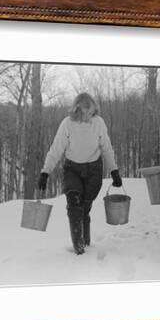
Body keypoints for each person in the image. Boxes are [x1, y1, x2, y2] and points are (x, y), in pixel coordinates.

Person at [37, 92, 122, 255]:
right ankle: (79, 246)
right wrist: (45, 172)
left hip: (93, 170)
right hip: (72, 169)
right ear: (77, 110)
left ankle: (86, 240)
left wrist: (114, 171)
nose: (88, 115)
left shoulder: (99, 123)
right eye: (85, 112)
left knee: (85, 207)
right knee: (74, 205)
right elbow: (56, 149)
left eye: (91, 112)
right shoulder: (67, 124)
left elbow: (107, 148)